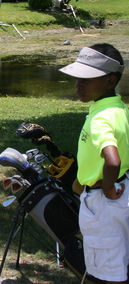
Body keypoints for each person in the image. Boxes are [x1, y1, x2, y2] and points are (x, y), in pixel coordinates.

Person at [59, 43, 129, 284]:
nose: (78, 84)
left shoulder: (100, 118)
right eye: (78, 78)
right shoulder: (118, 108)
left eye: (87, 79)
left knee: (106, 272)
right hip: (121, 194)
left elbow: (112, 159)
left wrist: (107, 187)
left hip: (104, 202)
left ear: (110, 82)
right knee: (120, 260)